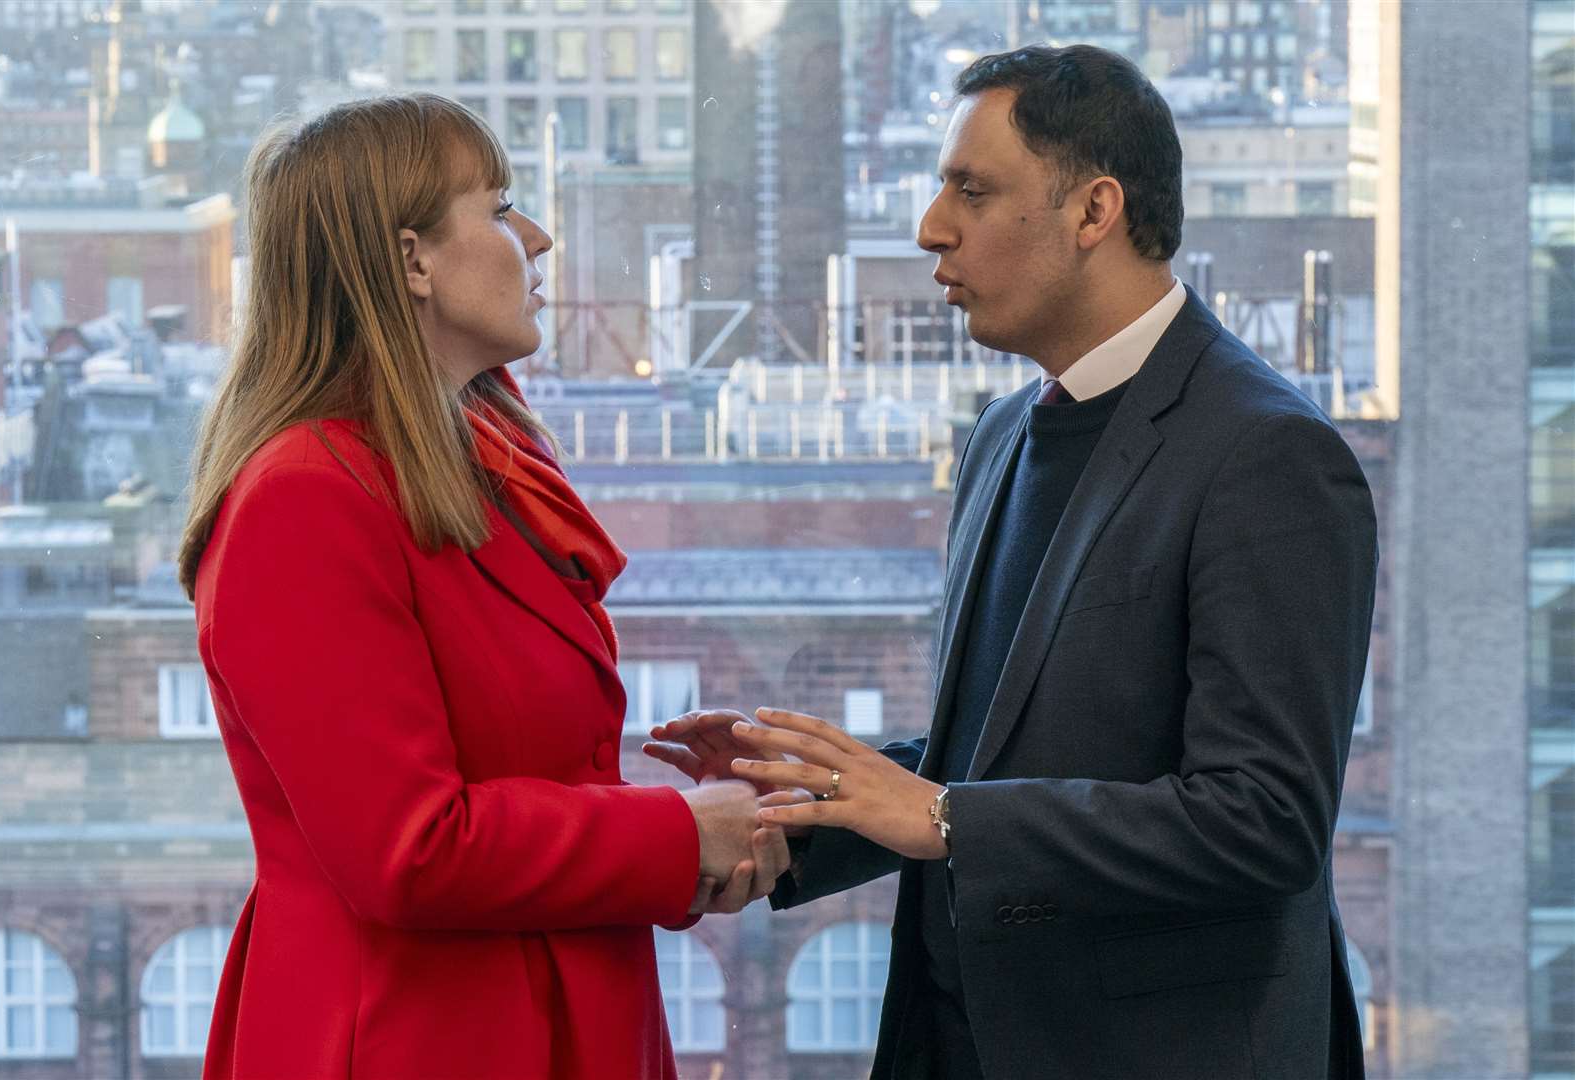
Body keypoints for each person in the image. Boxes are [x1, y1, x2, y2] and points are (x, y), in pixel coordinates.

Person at [644, 45, 1377, 1080]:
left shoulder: (1268, 455)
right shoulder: (1002, 433)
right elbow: (997, 754)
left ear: (1095, 212)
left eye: (971, 190)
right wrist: (795, 802)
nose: (929, 228)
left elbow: (1264, 823)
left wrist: (941, 816)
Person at [177, 93, 791, 1079]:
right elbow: (409, 850)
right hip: (416, 1041)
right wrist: (676, 833)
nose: (537, 236)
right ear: (412, 259)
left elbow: (510, 793)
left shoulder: (469, 460)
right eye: (500, 208)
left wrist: (706, 832)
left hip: (540, 1019)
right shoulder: (303, 500)